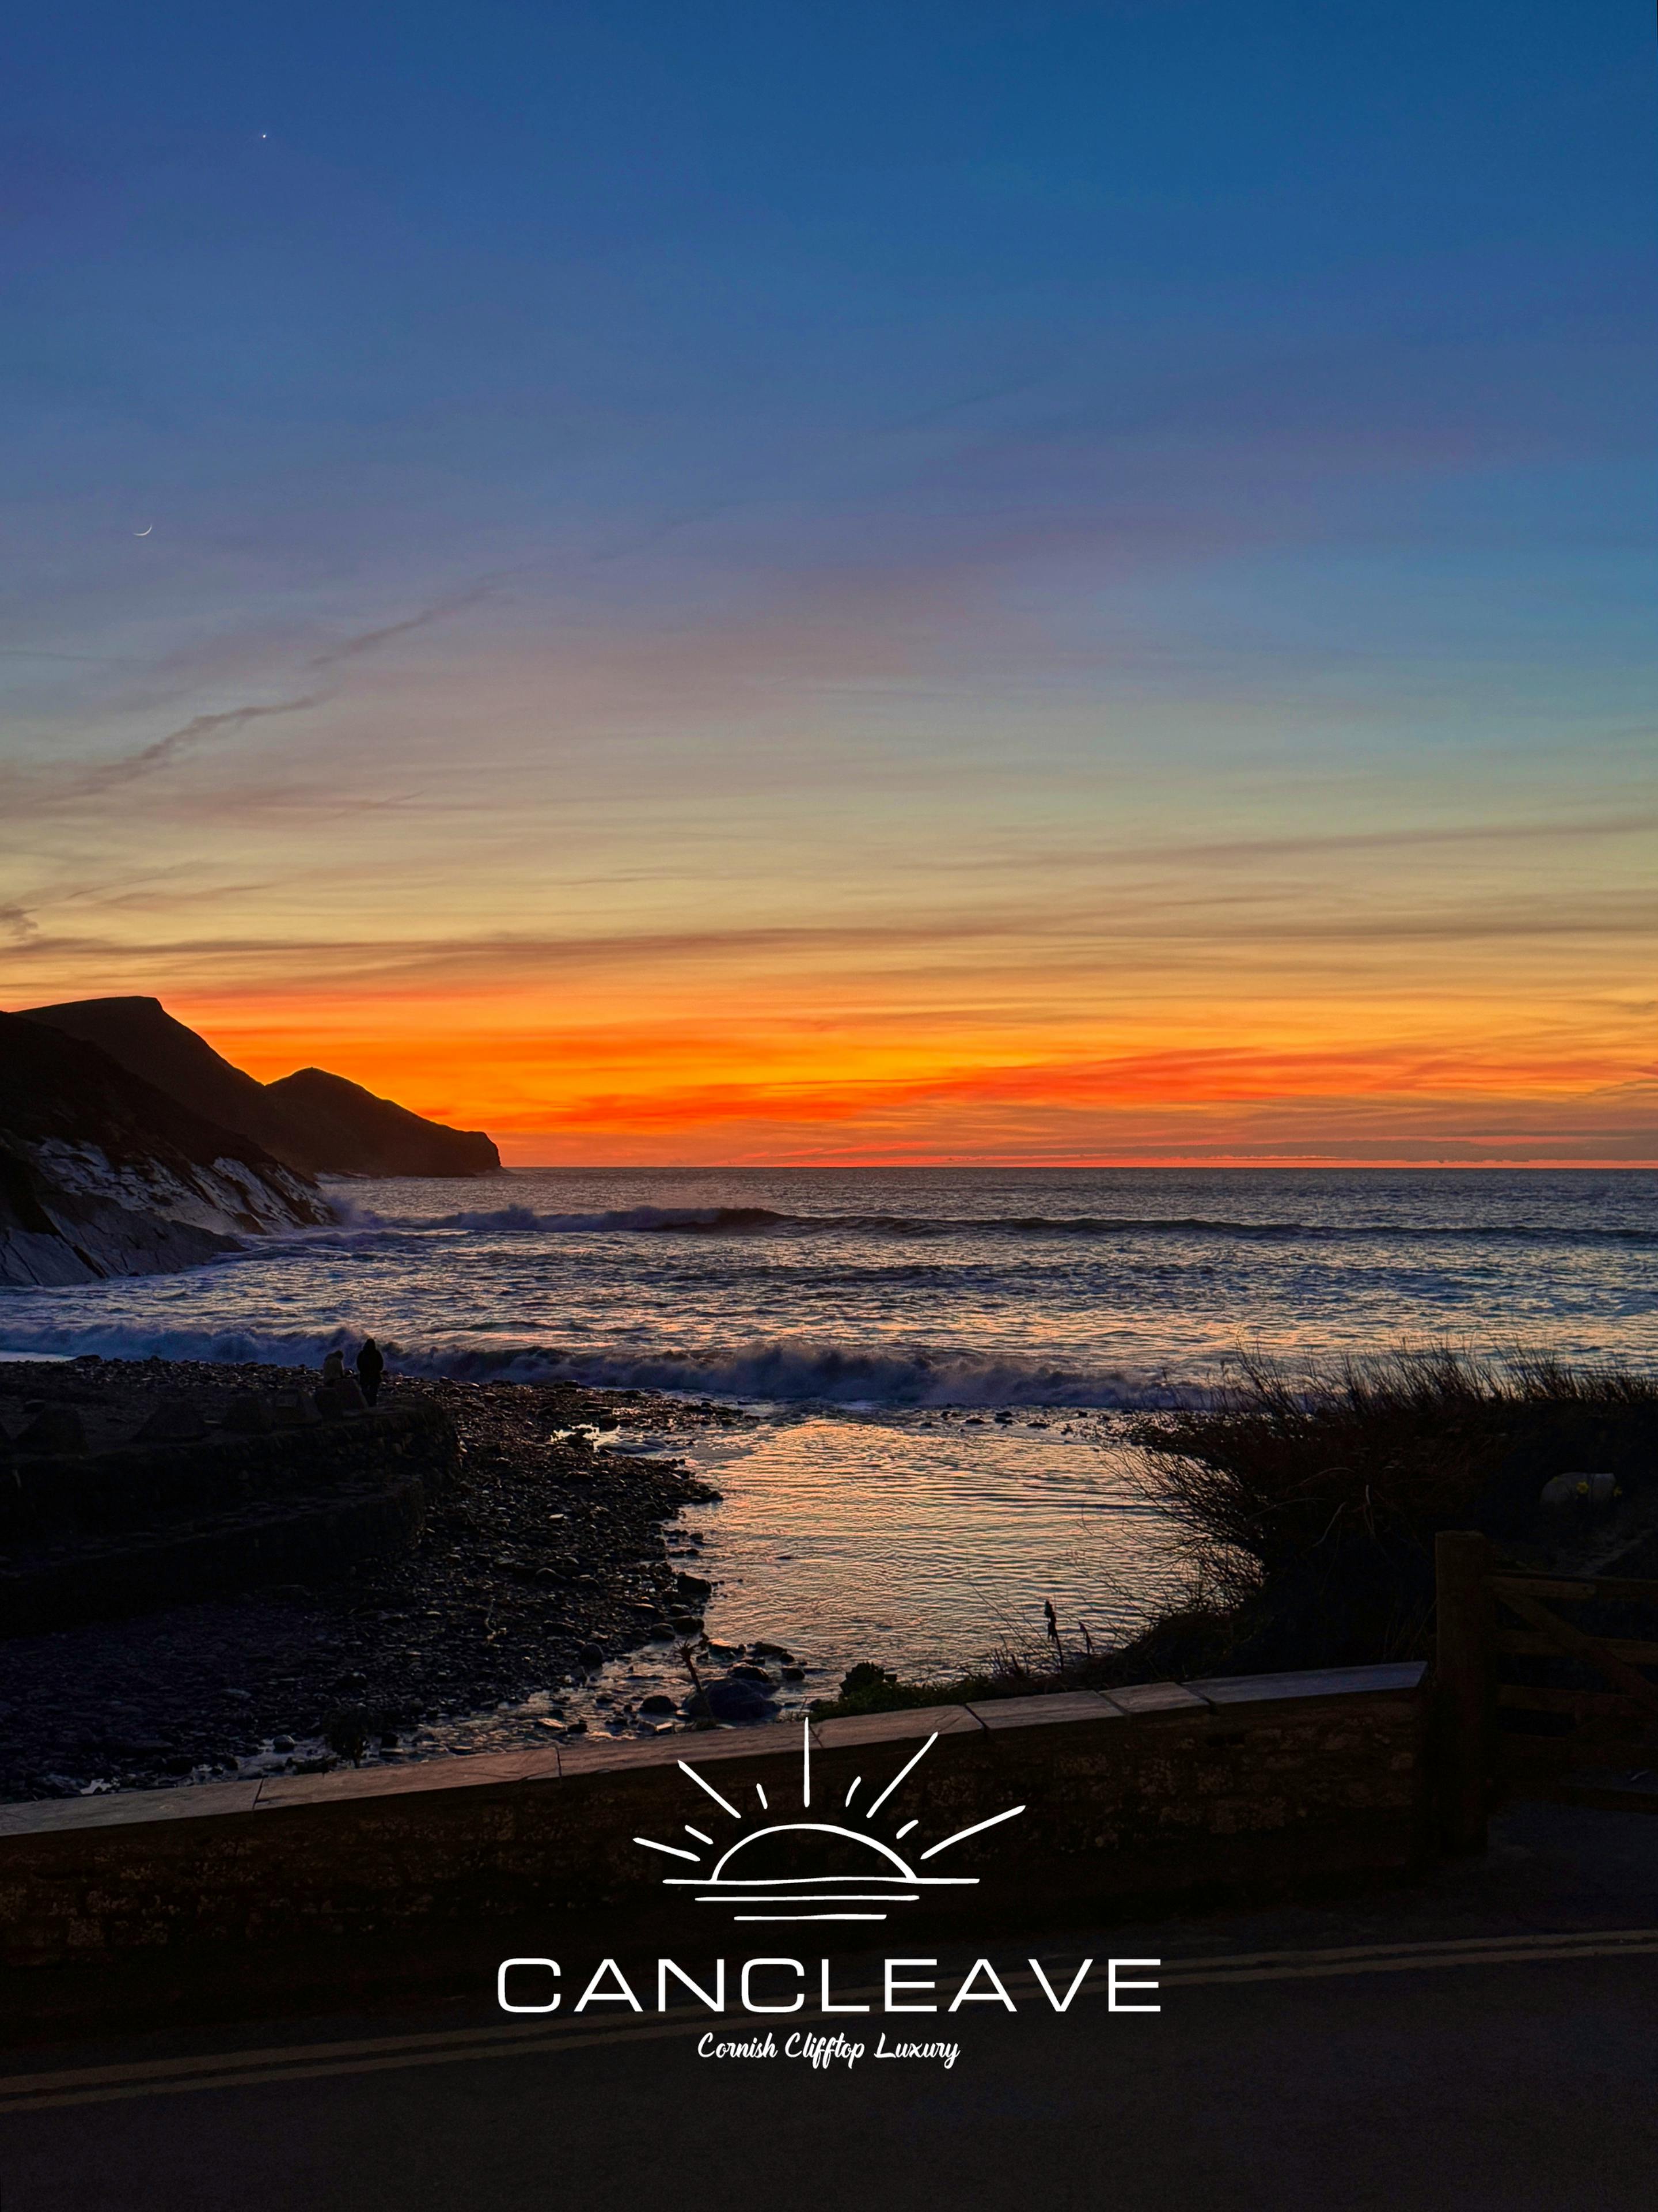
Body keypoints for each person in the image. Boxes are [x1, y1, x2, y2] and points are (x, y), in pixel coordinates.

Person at [356, 1336, 385, 1406]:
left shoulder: (362, 1353)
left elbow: (358, 1363)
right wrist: (379, 1370)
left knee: (365, 1390)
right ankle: (373, 1404)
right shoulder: (376, 1353)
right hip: (375, 1375)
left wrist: (362, 1371)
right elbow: (381, 1363)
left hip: (364, 1375)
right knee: (374, 1391)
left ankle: (365, 1403)